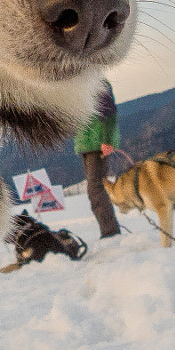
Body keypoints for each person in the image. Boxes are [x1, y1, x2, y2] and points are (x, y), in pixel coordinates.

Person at [75, 79, 121, 239]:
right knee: (93, 189)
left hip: (97, 144)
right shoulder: (77, 85)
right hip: (86, 144)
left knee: (96, 189)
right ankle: (109, 230)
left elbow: (109, 113)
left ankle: (111, 232)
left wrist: (107, 141)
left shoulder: (97, 83)